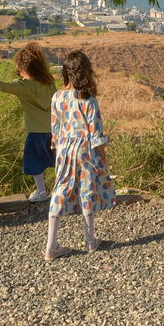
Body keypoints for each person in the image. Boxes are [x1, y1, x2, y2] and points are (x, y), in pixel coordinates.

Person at [46, 50, 115, 260]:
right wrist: (103, 159)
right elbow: (96, 134)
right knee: (88, 189)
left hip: (64, 149)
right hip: (85, 149)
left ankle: (51, 244)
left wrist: (60, 152)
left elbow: (55, 130)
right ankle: (90, 240)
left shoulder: (57, 97)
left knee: (61, 190)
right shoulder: (88, 100)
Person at [0, 44, 57, 203]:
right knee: (57, 162)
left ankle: (42, 191)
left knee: (34, 164)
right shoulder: (49, 82)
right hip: (55, 130)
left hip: (36, 131)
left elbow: (1, 86)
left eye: (18, 68)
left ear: (24, 68)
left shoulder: (24, 87)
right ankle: (61, 189)